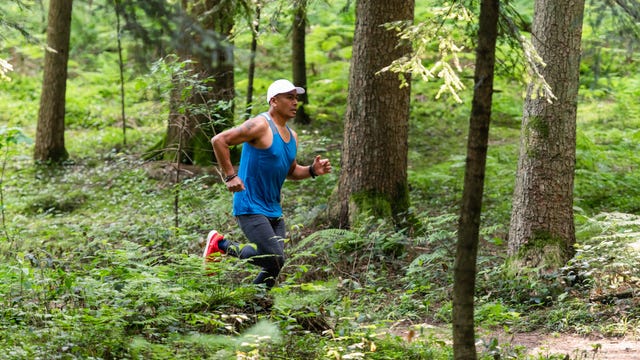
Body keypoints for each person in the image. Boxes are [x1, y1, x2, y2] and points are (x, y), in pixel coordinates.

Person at [204, 79, 332, 289]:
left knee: (274, 264)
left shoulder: (293, 136)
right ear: (274, 101)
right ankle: (221, 245)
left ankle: (254, 307)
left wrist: (311, 170)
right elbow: (219, 140)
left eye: (296, 98)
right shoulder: (260, 125)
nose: (295, 102)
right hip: (250, 204)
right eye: (289, 97)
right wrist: (230, 176)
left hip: (274, 210)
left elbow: (290, 171)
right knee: (274, 258)